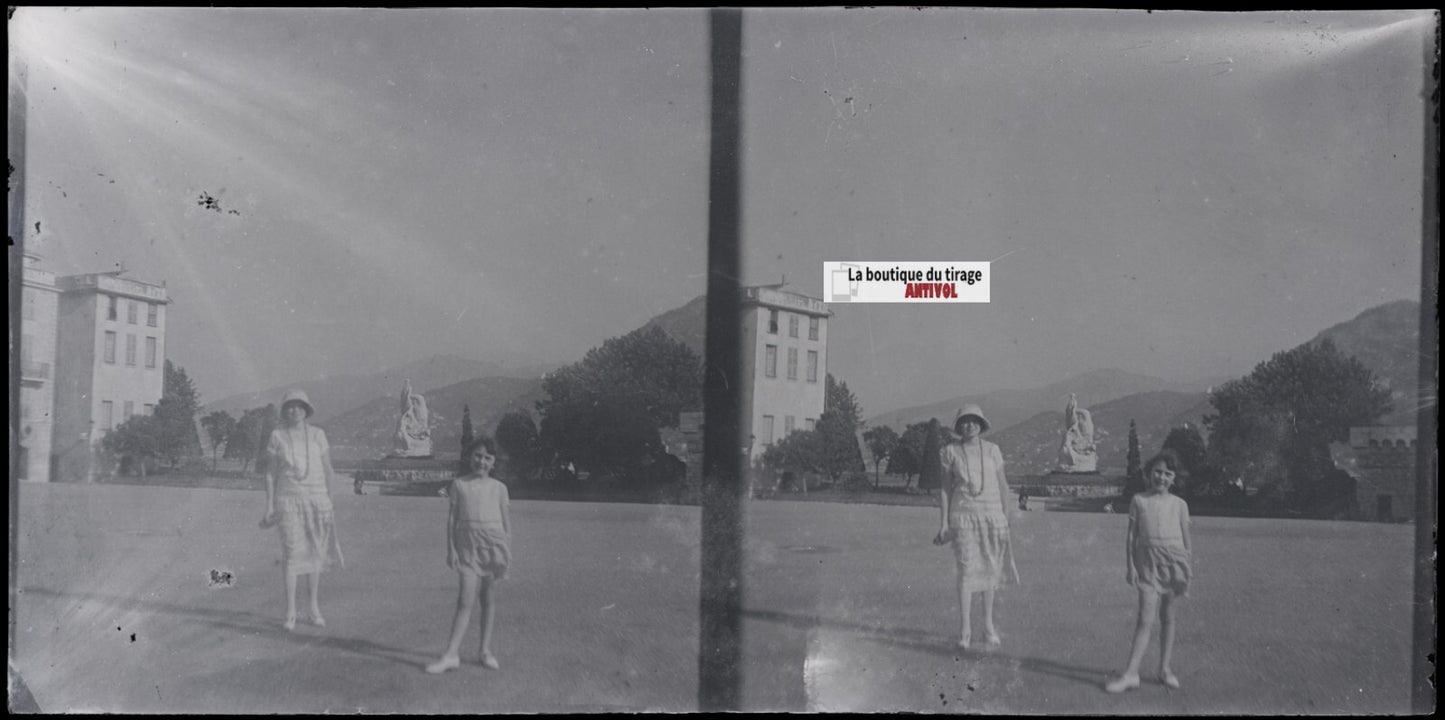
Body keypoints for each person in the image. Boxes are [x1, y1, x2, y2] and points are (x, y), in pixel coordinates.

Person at [1105, 451, 1193, 693]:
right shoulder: (1139, 500)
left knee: (1168, 617)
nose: (1161, 477)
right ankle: (1131, 673)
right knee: (1145, 618)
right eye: (1157, 472)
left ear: (1174, 478)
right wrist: (1130, 565)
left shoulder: (1180, 504)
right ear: (1149, 473)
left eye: (1167, 474)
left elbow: (1187, 540)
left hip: (1174, 563)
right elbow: (1131, 536)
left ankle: (1164, 669)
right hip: (1147, 564)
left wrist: (1188, 569)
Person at [934, 404, 1019, 649]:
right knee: (966, 570)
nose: (969, 425)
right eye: (964, 421)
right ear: (958, 425)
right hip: (963, 517)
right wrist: (943, 523)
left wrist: (1006, 518)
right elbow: (945, 489)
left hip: (992, 517)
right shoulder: (950, 451)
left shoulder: (993, 450)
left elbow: (1003, 486)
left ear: (981, 425)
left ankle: (988, 627)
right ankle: (965, 631)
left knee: (989, 569)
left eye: (973, 421)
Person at [427, 436, 512, 673]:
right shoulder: (459, 485)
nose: (481, 461)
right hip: (467, 547)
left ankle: (485, 651)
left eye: (487, 458)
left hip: (493, 546)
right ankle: (451, 654)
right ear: (470, 457)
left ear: (494, 462)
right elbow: (452, 519)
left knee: (488, 598)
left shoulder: (499, 488)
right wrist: (451, 549)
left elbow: (506, 523)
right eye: (478, 456)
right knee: (465, 600)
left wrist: (506, 551)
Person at [262, 389, 344, 631]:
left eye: (299, 406)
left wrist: (330, 501)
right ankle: (290, 612)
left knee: (315, 554)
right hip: (288, 501)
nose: (294, 410)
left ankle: (313, 609)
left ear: (306, 410)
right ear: (284, 410)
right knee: (291, 554)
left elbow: (328, 470)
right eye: (289, 406)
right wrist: (269, 505)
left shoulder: (318, 435)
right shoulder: (277, 436)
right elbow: (270, 473)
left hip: (317, 501)